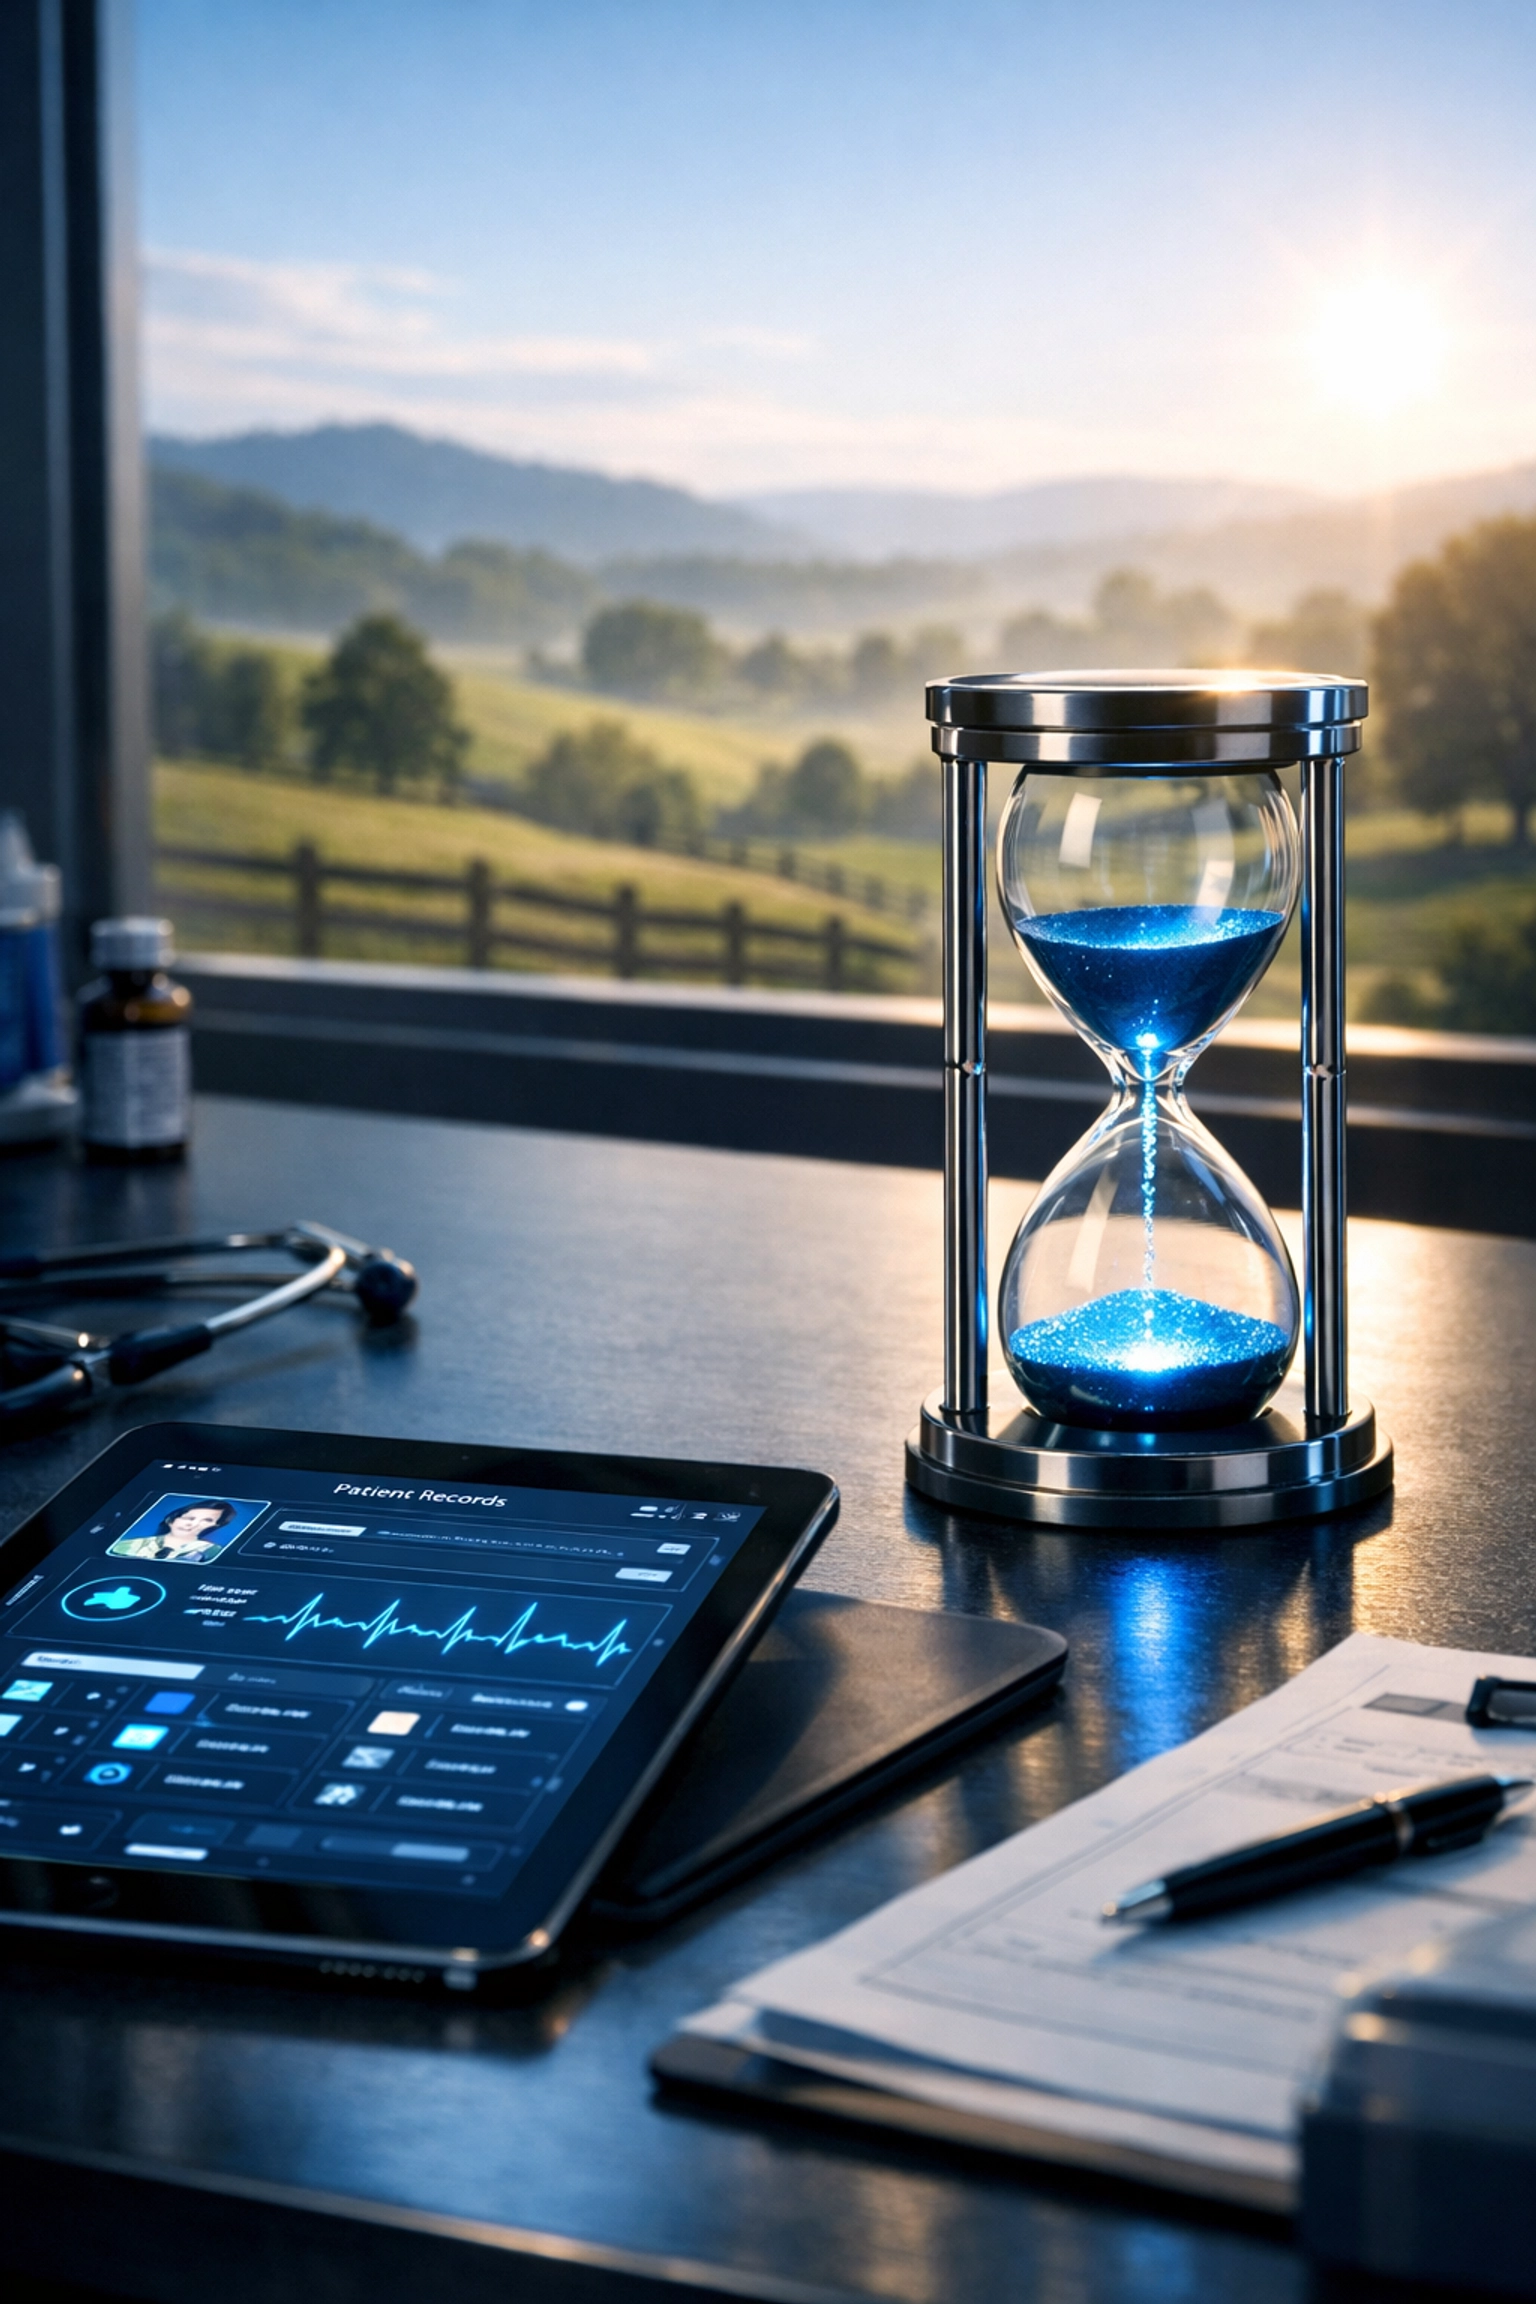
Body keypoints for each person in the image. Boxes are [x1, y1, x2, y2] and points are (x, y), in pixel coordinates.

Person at [111, 1499, 240, 1565]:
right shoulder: (126, 1545)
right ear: (171, 1519)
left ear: (215, 1526)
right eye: (189, 1518)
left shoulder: (212, 1551)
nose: (192, 1524)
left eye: (206, 1520)